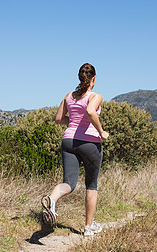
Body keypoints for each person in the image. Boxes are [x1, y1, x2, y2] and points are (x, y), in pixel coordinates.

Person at [41, 63, 109, 236]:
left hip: (68, 141)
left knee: (69, 183)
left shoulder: (69, 96)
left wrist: (73, 122)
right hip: (90, 143)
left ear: (79, 78)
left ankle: (52, 199)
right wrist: (101, 132)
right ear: (94, 78)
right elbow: (90, 111)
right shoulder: (96, 96)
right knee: (91, 185)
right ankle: (88, 227)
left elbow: (58, 119)